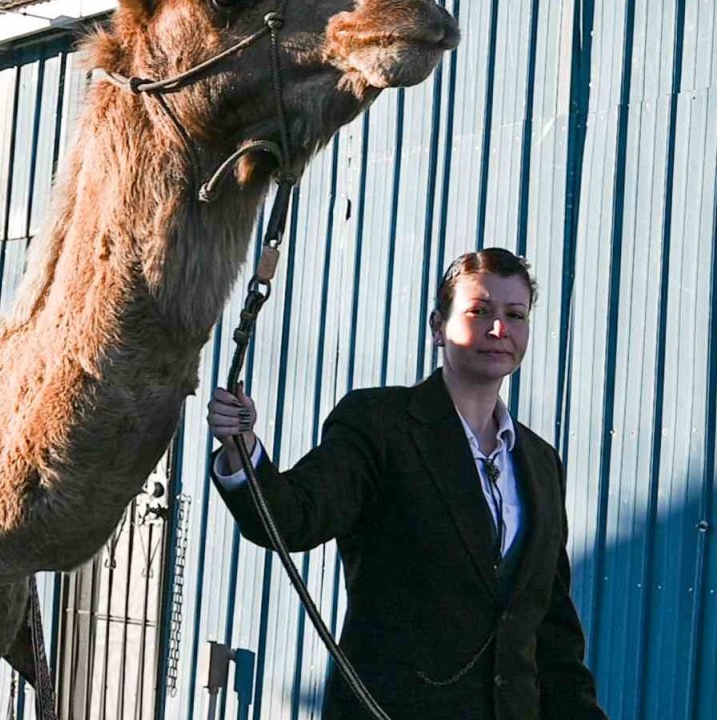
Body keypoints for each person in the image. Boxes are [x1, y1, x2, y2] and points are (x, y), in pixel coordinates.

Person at [207, 248, 606, 720]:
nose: (499, 329)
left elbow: (552, 630)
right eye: (479, 311)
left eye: (515, 315)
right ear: (438, 327)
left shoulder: (540, 463)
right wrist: (242, 450)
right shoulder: (380, 424)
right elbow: (293, 517)